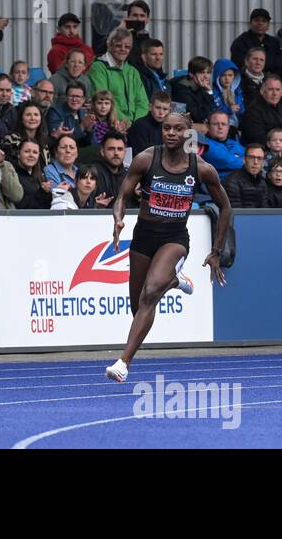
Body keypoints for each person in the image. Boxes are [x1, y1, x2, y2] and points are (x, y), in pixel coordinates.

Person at [105, 112, 232, 383]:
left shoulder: (201, 169)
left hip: (174, 239)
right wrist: (117, 219)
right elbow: (123, 194)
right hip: (143, 237)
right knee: (137, 305)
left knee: (150, 294)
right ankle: (173, 280)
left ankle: (123, 363)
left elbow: (225, 207)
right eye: (166, 129)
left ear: (188, 133)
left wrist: (216, 250)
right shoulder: (145, 159)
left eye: (177, 129)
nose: (171, 133)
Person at [89, 29, 149, 122]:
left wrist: (137, 124)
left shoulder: (133, 71)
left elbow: (142, 103)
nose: (123, 49)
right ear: (109, 46)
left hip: (135, 127)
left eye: (127, 47)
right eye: (118, 45)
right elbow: (102, 101)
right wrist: (125, 123)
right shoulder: (98, 68)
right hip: (110, 124)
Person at [230, 8, 282, 78]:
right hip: (246, 82)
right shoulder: (240, 42)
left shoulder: (274, 42)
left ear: (268, 25)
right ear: (250, 23)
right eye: (256, 20)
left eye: (264, 21)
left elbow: (279, 66)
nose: (260, 23)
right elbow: (239, 66)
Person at [14, 138, 53, 209]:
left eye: (35, 152)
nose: (31, 155)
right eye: (27, 151)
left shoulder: (40, 176)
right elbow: (22, 206)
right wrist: (42, 192)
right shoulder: (13, 175)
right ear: (18, 154)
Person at [211, 58, 244, 128]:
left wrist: (240, 109)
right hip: (220, 126)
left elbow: (242, 110)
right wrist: (229, 109)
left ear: (234, 76)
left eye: (230, 75)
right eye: (223, 75)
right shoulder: (213, 92)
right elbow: (213, 111)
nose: (227, 78)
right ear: (218, 77)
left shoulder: (238, 91)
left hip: (238, 125)